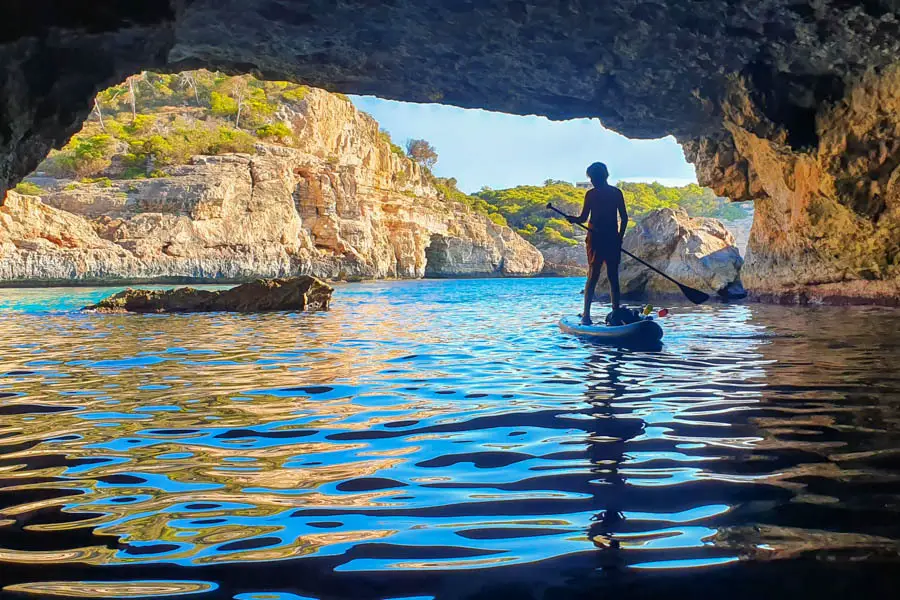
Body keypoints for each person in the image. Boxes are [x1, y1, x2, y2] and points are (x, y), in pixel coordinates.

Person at [568, 162, 628, 325]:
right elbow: (624, 218)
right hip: (609, 239)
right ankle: (612, 314)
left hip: (598, 240)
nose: (593, 181)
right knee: (611, 276)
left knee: (594, 276)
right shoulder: (616, 193)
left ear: (601, 177)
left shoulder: (592, 195)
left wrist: (573, 220)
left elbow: (583, 218)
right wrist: (619, 238)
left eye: (594, 178)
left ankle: (588, 315)